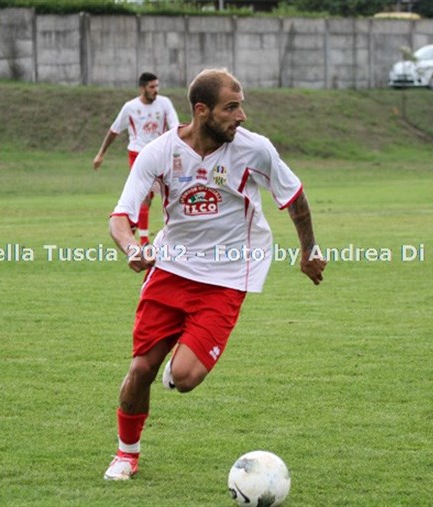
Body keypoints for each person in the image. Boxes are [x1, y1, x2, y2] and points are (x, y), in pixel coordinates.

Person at [103, 68, 327, 481]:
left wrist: (308, 250)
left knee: (184, 378)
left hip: (227, 277)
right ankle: (125, 455)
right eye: (231, 107)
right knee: (140, 370)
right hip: (170, 270)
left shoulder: (254, 149)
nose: (241, 116)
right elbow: (119, 217)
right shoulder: (159, 153)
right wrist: (132, 248)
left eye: (241, 105)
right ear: (202, 110)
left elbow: (294, 197)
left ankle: (180, 363)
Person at [93, 72, 179, 245]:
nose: (156, 90)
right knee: (145, 195)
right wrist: (101, 154)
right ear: (142, 88)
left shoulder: (164, 103)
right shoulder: (130, 107)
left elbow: (175, 127)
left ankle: (131, 227)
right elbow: (114, 130)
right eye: (152, 87)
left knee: (164, 193)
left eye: (157, 86)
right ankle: (144, 240)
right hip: (138, 154)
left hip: (160, 154)